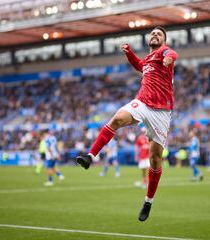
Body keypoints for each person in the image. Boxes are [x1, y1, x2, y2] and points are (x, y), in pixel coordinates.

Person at [75, 26, 178, 221]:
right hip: (143, 102)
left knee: (155, 159)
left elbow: (172, 53)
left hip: (162, 111)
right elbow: (139, 65)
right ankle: (90, 156)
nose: (155, 35)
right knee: (117, 118)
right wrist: (129, 52)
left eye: (159, 34)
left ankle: (148, 201)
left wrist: (169, 58)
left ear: (163, 41)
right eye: (153, 33)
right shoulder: (148, 61)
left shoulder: (165, 52)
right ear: (149, 39)